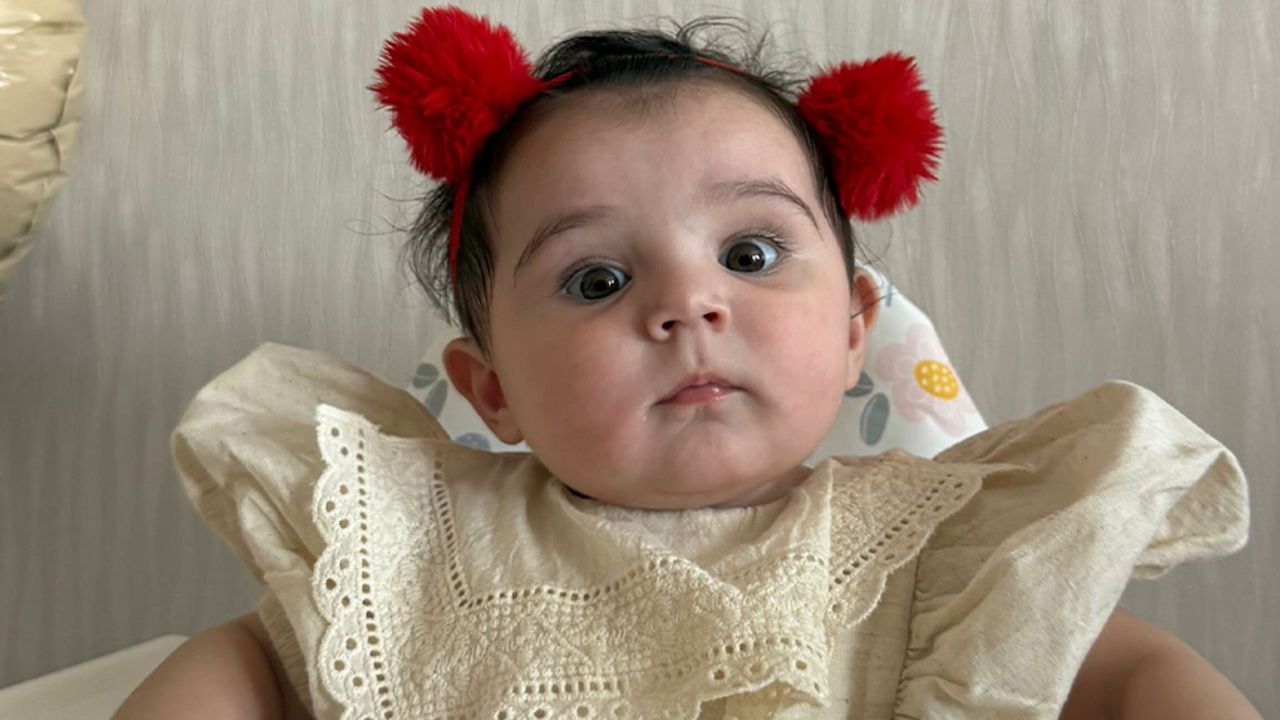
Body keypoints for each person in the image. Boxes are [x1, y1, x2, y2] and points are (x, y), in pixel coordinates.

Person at [114, 6, 1261, 719]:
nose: (686, 303)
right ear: (492, 390)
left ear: (853, 328)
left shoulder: (942, 543)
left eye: (748, 254)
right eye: (596, 280)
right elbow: (256, 669)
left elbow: (1125, 677)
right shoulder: (417, 549)